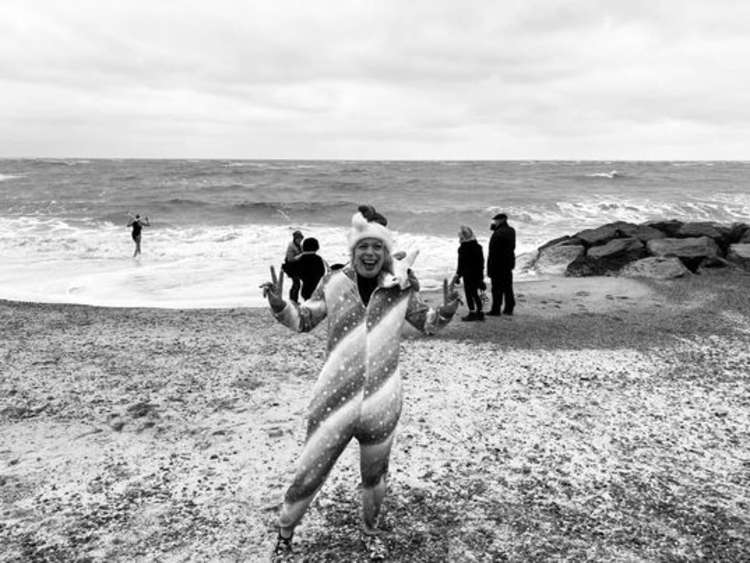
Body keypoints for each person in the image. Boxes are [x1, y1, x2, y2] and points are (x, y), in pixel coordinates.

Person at [260, 206, 460, 560]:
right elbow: (304, 320)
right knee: (310, 470)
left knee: (375, 476)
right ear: (353, 251)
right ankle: (285, 532)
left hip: (383, 401)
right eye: (363, 247)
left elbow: (426, 323)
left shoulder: (400, 287)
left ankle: (370, 532)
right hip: (334, 400)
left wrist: (445, 311)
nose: (370, 253)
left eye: (377, 247)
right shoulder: (334, 283)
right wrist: (280, 306)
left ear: (386, 252)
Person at [452, 225, 486, 321]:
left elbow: (461, 264)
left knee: (469, 293)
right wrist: (481, 276)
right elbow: (481, 262)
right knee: (476, 293)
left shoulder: (462, 248)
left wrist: (458, 275)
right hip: (478, 274)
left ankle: (472, 313)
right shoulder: (478, 247)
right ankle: (480, 312)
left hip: (468, 275)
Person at [486, 213, 516, 316]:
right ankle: (509, 307)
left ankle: (496, 309)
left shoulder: (498, 233)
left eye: (496, 220)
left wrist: (490, 269)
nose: (494, 222)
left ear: (501, 220)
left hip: (497, 265)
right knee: (508, 287)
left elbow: (494, 253)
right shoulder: (511, 231)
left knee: (496, 288)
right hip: (508, 263)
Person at [282, 230, 304, 302]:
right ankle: (293, 300)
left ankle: (292, 300)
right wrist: (301, 255)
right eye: (298, 239)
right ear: (295, 238)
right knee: (297, 284)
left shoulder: (300, 246)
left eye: (301, 239)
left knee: (296, 284)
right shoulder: (291, 246)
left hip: (297, 268)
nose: (300, 240)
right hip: (290, 267)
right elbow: (290, 259)